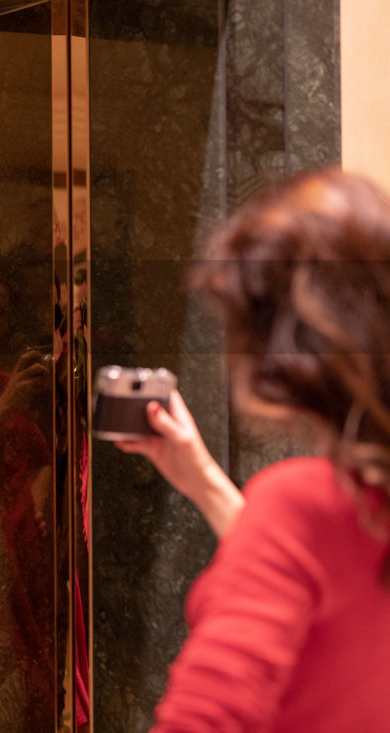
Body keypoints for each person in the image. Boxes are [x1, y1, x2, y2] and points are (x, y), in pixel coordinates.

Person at [113, 170, 390, 732]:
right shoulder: (355, 502)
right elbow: (326, 583)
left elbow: (202, 722)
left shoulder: (302, 501)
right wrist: (205, 482)